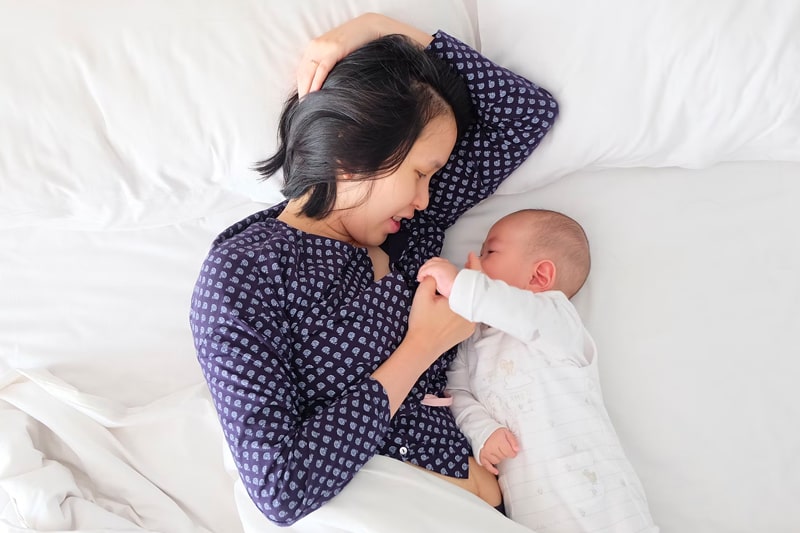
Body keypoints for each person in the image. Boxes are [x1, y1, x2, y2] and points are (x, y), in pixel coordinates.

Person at [189, 13, 558, 526]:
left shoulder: (409, 231)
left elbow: (525, 114)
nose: (427, 195)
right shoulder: (244, 273)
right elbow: (279, 486)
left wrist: (379, 28)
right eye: (420, 173)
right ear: (353, 147)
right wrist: (420, 347)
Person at [417, 209, 659, 532]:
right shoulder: (471, 338)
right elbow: (457, 394)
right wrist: (483, 432)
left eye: (490, 252)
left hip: (606, 508)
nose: (473, 258)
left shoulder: (556, 320)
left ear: (539, 277)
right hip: (536, 516)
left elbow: (514, 310)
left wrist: (464, 286)